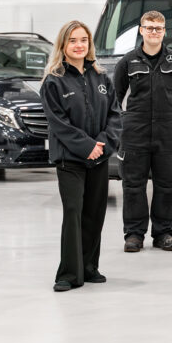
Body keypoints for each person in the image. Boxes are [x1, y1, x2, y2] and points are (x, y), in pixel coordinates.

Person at [41, 20, 122, 292]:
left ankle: (89, 267)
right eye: (73, 40)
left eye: (84, 40)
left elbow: (115, 115)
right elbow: (58, 123)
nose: (79, 45)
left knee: (94, 213)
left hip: (99, 158)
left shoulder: (101, 78)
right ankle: (68, 274)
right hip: (70, 160)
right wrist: (86, 145)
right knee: (74, 212)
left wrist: (101, 143)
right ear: (63, 45)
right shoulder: (54, 81)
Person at [113, 10, 172, 253]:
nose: (154, 32)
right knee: (133, 184)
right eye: (149, 27)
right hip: (135, 129)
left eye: (158, 28)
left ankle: (163, 233)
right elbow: (117, 96)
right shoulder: (127, 62)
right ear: (141, 30)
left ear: (164, 31)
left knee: (167, 184)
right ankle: (134, 234)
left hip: (167, 129)